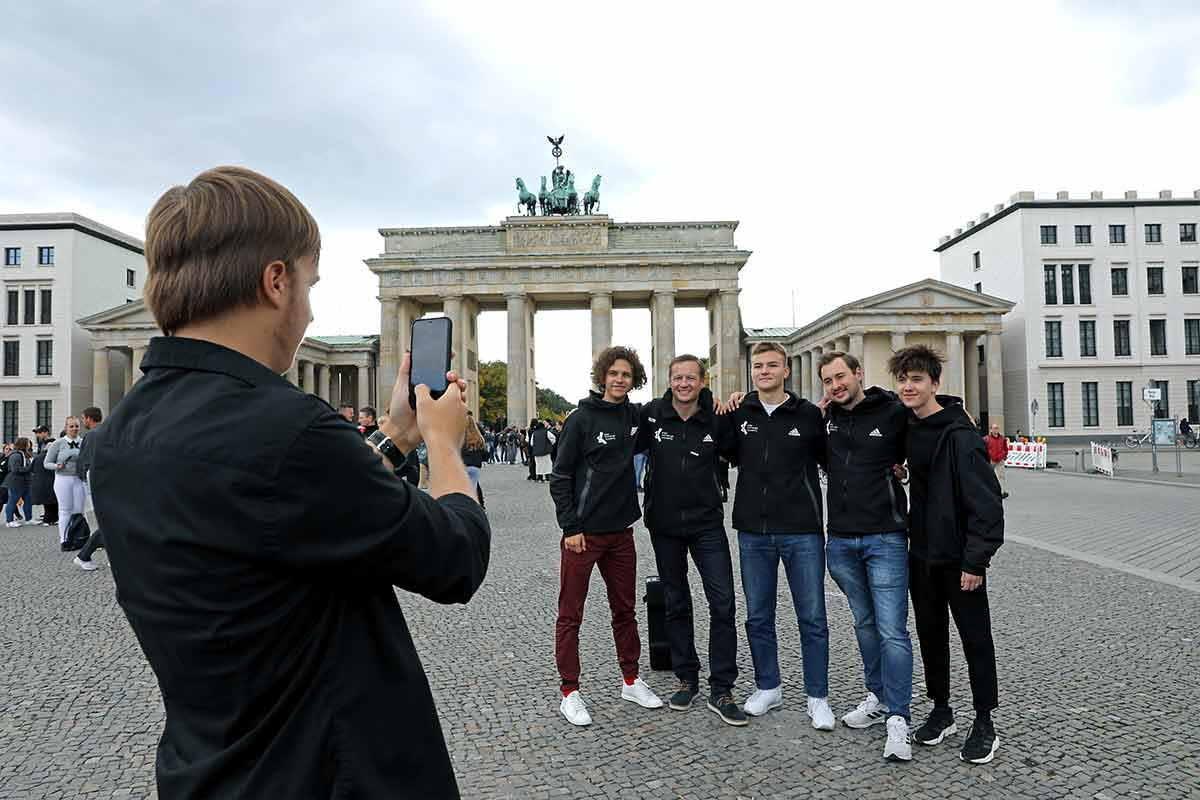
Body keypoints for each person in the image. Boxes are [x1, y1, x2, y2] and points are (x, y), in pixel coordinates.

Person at [88, 165, 490, 798]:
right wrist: (442, 440)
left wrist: (394, 436)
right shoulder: (289, 429)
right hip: (328, 772)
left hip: (212, 768)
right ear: (275, 281)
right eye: (309, 285)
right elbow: (456, 558)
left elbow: (279, 516)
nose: (308, 310)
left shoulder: (118, 438)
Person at [887, 345, 1003, 765]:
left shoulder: (960, 434)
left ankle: (985, 719)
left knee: (975, 639)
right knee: (930, 635)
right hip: (922, 554)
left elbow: (988, 503)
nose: (908, 386)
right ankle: (941, 709)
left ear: (934, 383)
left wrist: (976, 561)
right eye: (902, 379)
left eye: (917, 379)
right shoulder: (909, 424)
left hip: (959, 559)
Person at [719, 342, 834, 730]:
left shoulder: (808, 414)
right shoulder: (740, 413)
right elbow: (722, 450)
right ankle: (768, 686)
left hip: (801, 529)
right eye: (758, 366)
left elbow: (832, 459)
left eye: (772, 365)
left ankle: (817, 696)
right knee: (758, 616)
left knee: (813, 617)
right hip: (753, 529)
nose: (764, 371)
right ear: (751, 371)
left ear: (786, 371)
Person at [549, 344, 663, 726]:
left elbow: (674, 408)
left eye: (626, 375)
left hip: (621, 533)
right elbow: (561, 476)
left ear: (634, 380)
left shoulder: (634, 416)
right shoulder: (580, 420)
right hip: (584, 535)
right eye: (613, 373)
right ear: (602, 377)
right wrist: (570, 527)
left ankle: (630, 679)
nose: (619, 379)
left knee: (625, 611)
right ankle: (569, 691)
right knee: (571, 615)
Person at [818, 351, 914, 762]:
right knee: (864, 624)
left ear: (859, 374)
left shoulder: (892, 412)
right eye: (827, 381)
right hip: (840, 541)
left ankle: (899, 716)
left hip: (885, 538)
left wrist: (904, 472)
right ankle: (876, 696)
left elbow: (926, 434)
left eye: (841, 377)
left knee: (892, 629)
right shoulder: (826, 420)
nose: (835, 385)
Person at [639, 355, 743, 726]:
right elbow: (615, 445)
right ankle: (687, 677)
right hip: (664, 524)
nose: (684, 383)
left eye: (690, 378)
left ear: (702, 381)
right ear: (669, 381)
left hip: (707, 524)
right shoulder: (651, 414)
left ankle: (722, 686)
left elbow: (744, 450)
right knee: (676, 603)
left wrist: (738, 402)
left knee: (723, 603)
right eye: (677, 378)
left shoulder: (717, 417)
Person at [44, 417, 85, 546]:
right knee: (65, 510)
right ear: (66, 427)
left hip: (79, 479)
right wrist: (57, 466)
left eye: (77, 426)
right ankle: (64, 539)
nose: (74, 429)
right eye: (71, 426)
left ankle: (80, 537)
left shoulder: (84, 442)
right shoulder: (58, 443)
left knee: (79, 510)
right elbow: (46, 463)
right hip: (63, 479)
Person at [2, 437, 34, 526]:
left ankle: (29, 519)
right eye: (28, 443)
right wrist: (29, 469)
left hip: (24, 482)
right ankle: (9, 521)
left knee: (28, 500)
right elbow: (15, 469)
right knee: (12, 501)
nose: (29, 445)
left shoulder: (24, 454)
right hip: (15, 482)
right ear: (23, 444)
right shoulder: (16, 455)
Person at [31, 426, 58, 526]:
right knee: (48, 495)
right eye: (37, 433)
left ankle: (51, 516)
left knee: (50, 495)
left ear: (46, 433)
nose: (37, 435)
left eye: (39, 433)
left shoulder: (51, 443)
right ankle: (51, 516)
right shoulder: (41, 444)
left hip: (49, 472)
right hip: (44, 472)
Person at [985, 423, 1009, 499]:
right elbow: (984, 448)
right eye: (994, 428)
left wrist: (1004, 456)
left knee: (1001, 477)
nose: (996, 430)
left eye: (997, 428)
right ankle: (988, 491)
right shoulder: (987, 439)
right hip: (991, 460)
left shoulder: (1002, 438)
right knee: (988, 476)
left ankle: (1002, 492)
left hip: (1000, 460)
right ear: (991, 430)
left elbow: (1005, 448)